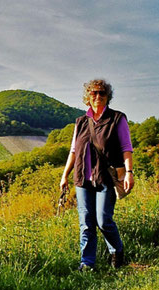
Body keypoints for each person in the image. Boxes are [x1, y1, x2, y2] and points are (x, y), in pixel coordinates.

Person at [60, 79, 134, 271]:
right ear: (88, 97)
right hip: (82, 179)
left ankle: (117, 251)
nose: (98, 96)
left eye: (102, 93)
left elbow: (126, 148)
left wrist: (129, 173)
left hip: (106, 178)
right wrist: (64, 176)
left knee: (103, 220)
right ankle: (87, 263)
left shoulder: (117, 118)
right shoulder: (81, 122)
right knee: (86, 223)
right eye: (94, 93)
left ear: (107, 96)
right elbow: (74, 151)